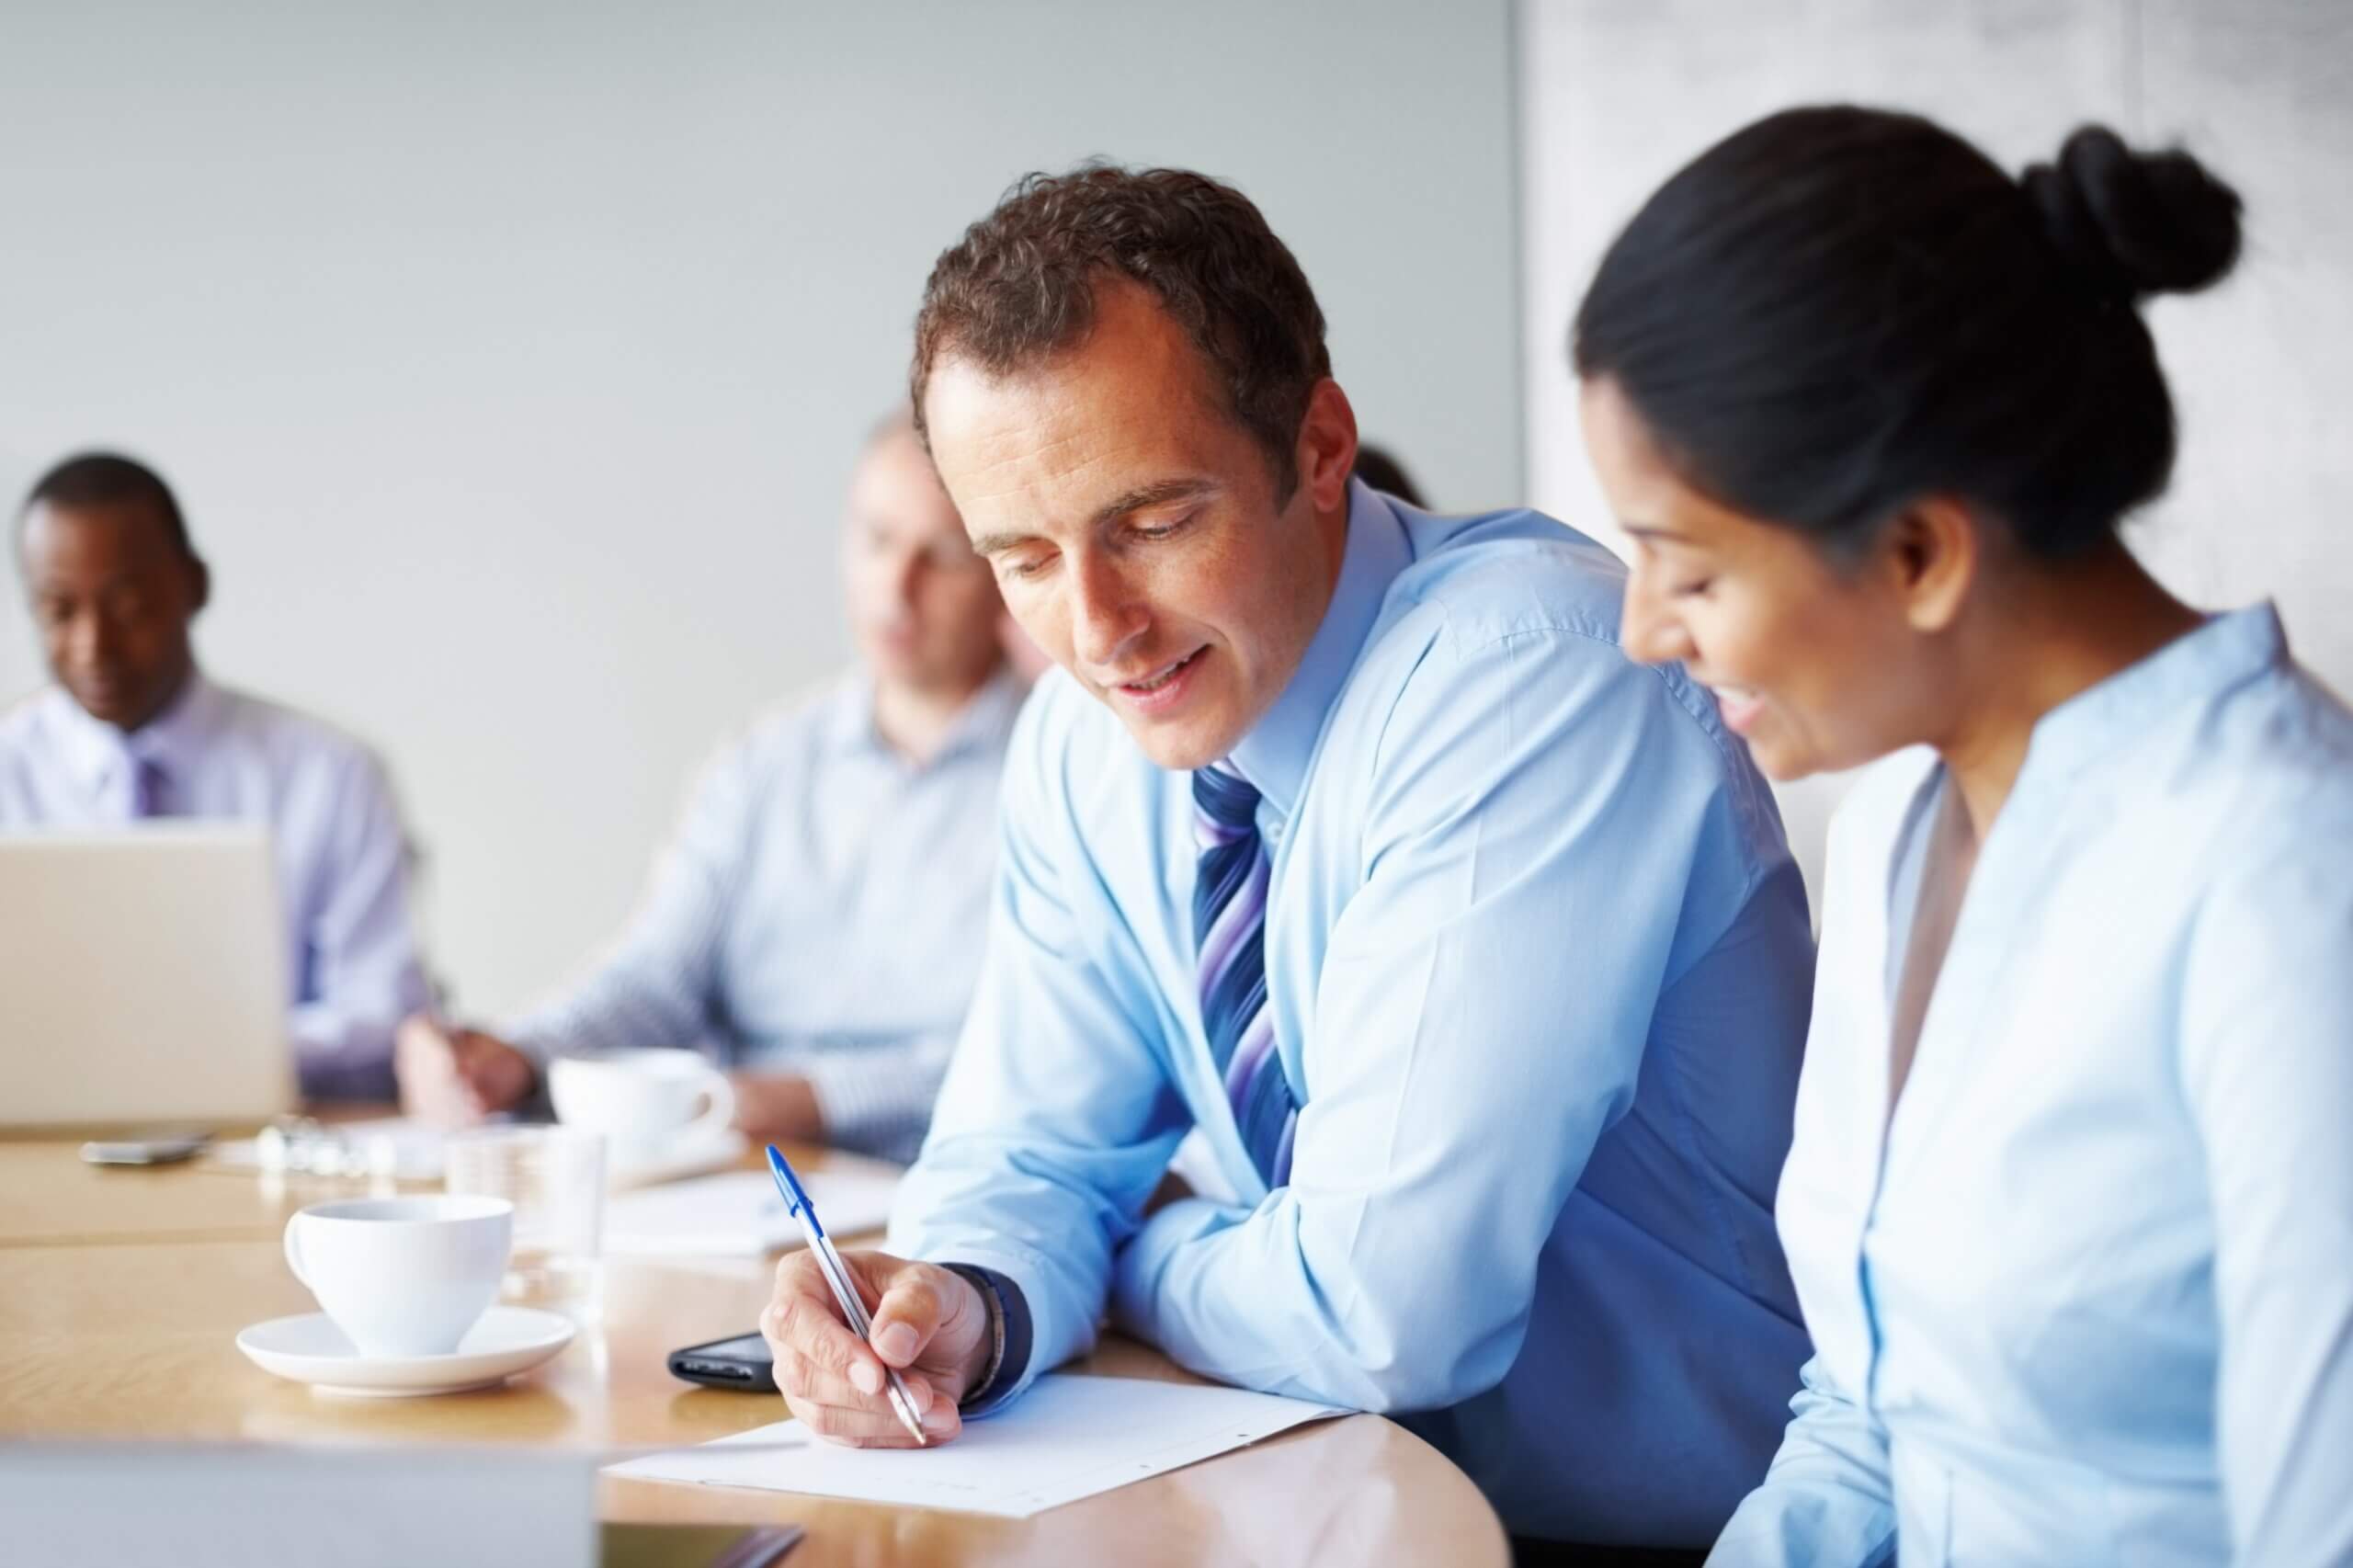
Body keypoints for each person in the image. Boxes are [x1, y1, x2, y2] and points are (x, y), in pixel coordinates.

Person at [757, 165, 1819, 1551]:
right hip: (1338, 1500)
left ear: (1320, 446)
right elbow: (1024, 1152)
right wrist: (961, 1299)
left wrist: (1132, 1250)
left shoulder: (1526, 673)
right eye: (1021, 557)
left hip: (1671, 1536)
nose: (1099, 633)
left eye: (1151, 523)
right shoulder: (1092, 748)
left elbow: (1385, 1313)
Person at [1572, 107, 2353, 1567]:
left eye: (1684, 568)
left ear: (1921, 552)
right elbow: (1877, 1412)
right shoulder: (1892, 835)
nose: (1638, 632)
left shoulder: (2290, 886)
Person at [396, 415, 1024, 1163]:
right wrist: (514, 1056)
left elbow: (1053, 1052)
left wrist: (811, 1097)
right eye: (876, 541)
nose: (897, 587)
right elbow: (656, 975)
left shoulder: (1062, 773)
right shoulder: (765, 763)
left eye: (943, 555)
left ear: (1006, 570)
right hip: (754, 1174)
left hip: (955, 1174)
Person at [0, 452, 430, 1099]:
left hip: (271, 1144)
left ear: (194, 586)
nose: (93, 645)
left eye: (128, 607)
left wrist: (188, 1060)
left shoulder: (330, 773)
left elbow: (380, 1015)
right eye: (59, 612)